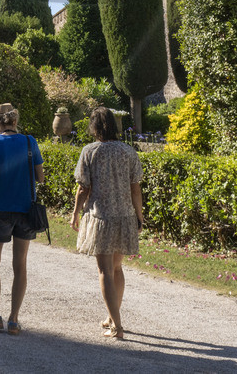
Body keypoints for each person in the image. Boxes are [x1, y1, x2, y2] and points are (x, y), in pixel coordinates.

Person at [69, 105, 145, 340]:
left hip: (101, 217)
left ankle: (117, 327)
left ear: (94, 127)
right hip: (124, 216)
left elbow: (83, 188)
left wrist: (75, 213)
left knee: (104, 270)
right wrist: (139, 215)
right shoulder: (128, 151)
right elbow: (135, 189)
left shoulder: (90, 151)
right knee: (116, 268)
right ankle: (113, 317)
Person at [0, 103, 44, 335]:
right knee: (20, 264)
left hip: (0, 208)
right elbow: (40, 177)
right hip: (26, 209)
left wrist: (1, 173)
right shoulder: (29, 141)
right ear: (15, 121)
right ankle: (14, 320)